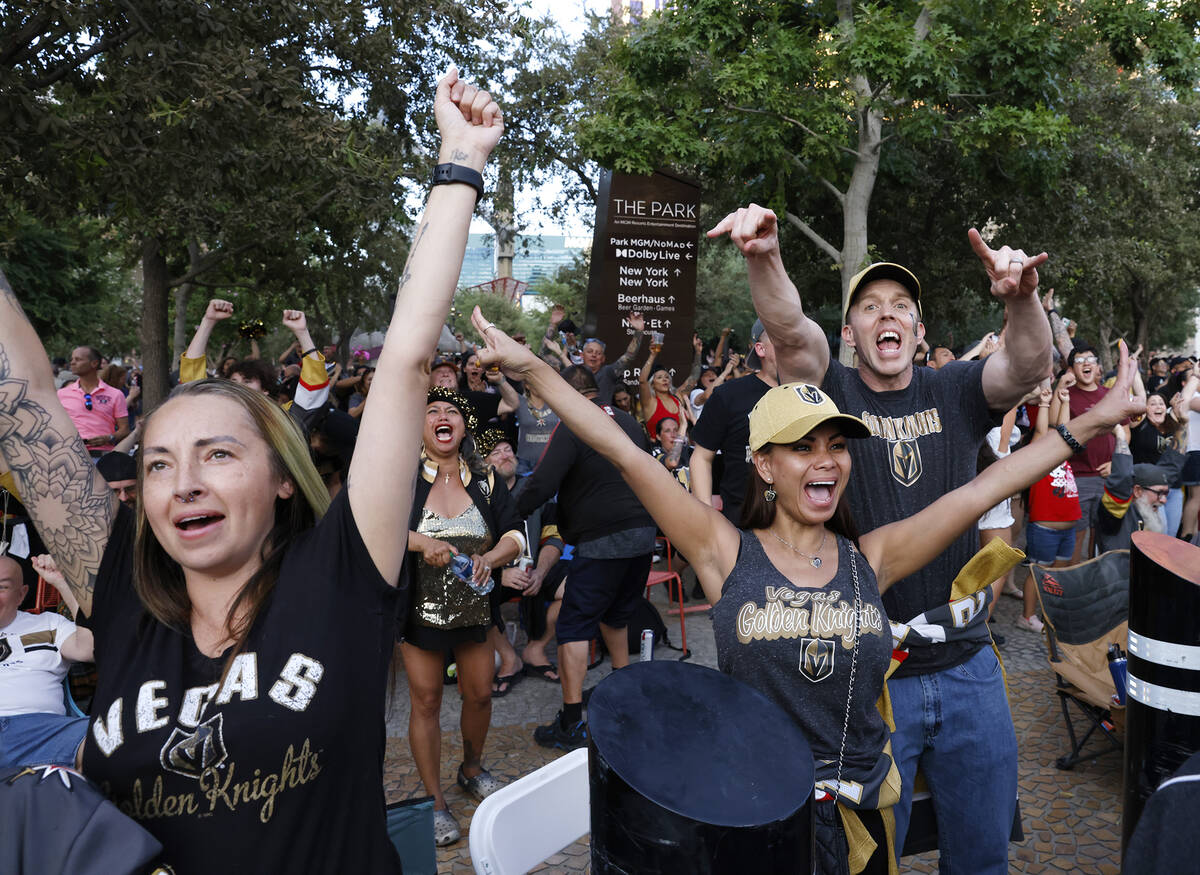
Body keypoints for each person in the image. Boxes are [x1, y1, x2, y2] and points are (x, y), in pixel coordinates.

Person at [0, 66, 503, 872]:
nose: (182, 482)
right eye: (159, 464)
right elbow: (20, 398)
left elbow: (407, 358)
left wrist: (460, 162)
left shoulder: (339, 578)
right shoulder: (125, 592)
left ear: (280, 477)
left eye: (218, 454)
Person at [471, 310, 1141, 874]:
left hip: (863, 821)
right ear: (763, 463)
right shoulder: (723, 548)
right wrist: (531, 369)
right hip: (760, 816)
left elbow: (979, 493)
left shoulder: (869, 559)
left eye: (836, 444)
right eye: (802, 445)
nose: (825, 458)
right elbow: (621, 450)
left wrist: (1096, 419)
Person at [713, 203, 1054, 872]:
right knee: (869, 860)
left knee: (981, 858)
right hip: (874, 674)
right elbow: (789, 329)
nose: (887, 314)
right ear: (851, 331)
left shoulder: (954, 388)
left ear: (919, 331)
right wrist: (763, 257)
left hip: (969, 664)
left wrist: (1022, 301)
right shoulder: (831, 389)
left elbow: (1027, 367)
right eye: (870, 307)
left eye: (900, 305)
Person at [402, 387, 523, 844]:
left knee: (479, 696)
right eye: (431, 410)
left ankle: (471, 769)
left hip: (476, 610)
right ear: (420, 426)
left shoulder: (487, 478)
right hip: (418, 613)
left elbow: (514, 531)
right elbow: (379, 527)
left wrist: (491, 558)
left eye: (451, 410)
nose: (442, 415)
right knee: (427, 702)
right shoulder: (404, 478)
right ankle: (435, 803)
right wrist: (422, 543)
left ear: (463, 425)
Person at [514, 364, 656, 752]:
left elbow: (542, 481)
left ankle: (572, 722)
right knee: (617, 615)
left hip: (603, 538)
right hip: (643, 534)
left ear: (566, 394)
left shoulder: (575, 423)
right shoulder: (626, 420)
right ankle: (626, 702)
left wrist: (508, 513)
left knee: (574, 625)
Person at [0, 555, 93, 770]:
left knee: (112, 740)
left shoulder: (50, 624)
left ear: (22, 594)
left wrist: (63, 582)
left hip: (44, 733)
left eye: (2, 587)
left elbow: (89, 650)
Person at [690, 319, 779, 523]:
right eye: (781, 337)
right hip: (744, 519)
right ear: (761, 348)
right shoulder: (729, 395)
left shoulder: (810, 394)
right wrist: (707, 518)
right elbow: (702, 457)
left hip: (798, 520)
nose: (791, 342)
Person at [57, 345, 130, 456]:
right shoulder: (61, 394)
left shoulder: (115, 394)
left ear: (94, 363)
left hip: (103, 457)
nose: (72, 362)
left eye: (78, 359)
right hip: (71, 456)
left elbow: (124, 429)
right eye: (72, 359)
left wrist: (110, 438)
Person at [579, 311, 646, 404]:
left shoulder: (608, 373)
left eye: (598, 353)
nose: (593, 355)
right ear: (582, 355)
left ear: (603, 359)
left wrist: (639, 332)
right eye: (590, 352)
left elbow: (629, 356)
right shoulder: (574, 373)